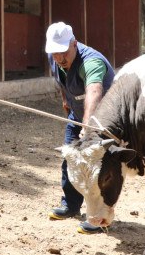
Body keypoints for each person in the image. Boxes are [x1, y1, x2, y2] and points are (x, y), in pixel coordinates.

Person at [45, 22, 115, 234]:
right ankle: (71, 205)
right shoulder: (54, 57)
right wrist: (65, 100)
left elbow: (94, 91)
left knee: (99, 169)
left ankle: (99, 217)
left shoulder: (91, 62)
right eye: (55, 53)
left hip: (104, 120)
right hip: (77, 116)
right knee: (71, 158)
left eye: (64, 52)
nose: (59, 58)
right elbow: (62, 81)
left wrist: (88, 126)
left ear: (74, 43)